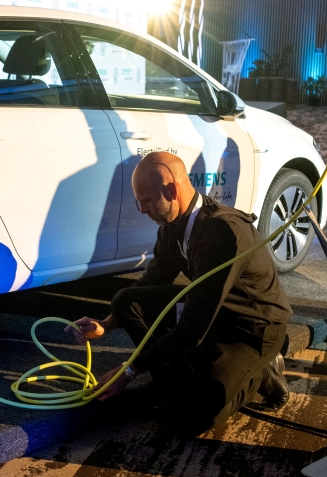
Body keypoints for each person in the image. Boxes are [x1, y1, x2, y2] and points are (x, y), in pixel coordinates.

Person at [67, 151, 293, 438]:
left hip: (252, 329)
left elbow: (192, 329)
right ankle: (174, 385)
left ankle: (261, 373)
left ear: (171, 191)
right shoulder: (173, 225)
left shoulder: (222, 233)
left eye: (146, 201)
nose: (141, 209)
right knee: (126, 301)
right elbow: (155, 278)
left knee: (189, 418)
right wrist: (107, 324)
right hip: (211, 314)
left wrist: (128, 371)